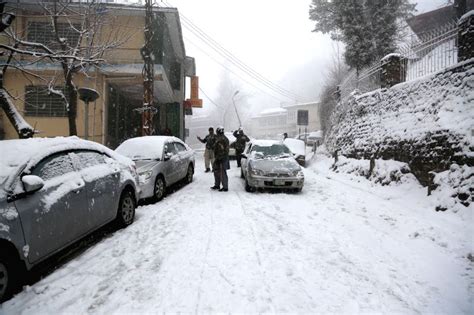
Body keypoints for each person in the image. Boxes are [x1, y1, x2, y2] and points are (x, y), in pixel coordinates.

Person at [211, 126, 230, 192]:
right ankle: (217, 185)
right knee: (216, 171)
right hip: (218, 158)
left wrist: (221, 158)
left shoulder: (224, 139)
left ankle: (225, 187)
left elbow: (226, 150)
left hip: (222, 158)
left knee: (223, 172)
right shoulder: (218, 138)